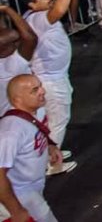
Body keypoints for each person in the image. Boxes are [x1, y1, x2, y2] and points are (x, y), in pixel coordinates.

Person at [21, 0, 79, 175]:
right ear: (31, 4)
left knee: (51, 119)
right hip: (51, 81)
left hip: (55, 77)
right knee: (58, 119)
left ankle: (50, 152)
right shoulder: (37, 18)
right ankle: (51, 163)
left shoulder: (35, 16)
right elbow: (61, 9)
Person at [0, 74, 66, 222]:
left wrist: (50, 146)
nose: (42, 91)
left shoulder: (34, 112)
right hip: (19, 195)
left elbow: (34, 132)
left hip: (31, 189)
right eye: (34, 90)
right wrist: (15, 210)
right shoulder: (11, 131)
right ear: (18, 99)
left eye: (40, 86)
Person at [0, 6, 37, 117]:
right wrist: (7, 9)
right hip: (19, 117)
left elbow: (3, 31)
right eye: (14, 42)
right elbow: (30, 37)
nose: (18, 43)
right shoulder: (12, 65)